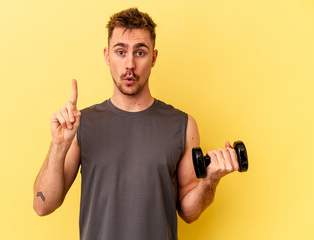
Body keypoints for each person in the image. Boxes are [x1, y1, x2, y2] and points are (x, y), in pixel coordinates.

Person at [33, 8, 239, 240]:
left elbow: (189, 212)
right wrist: (58, 145)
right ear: (106, 56)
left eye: (140, 52)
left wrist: (211, 180)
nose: (129, 64)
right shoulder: (81, 124)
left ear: (153, 57)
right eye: (120, 52)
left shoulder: (183, 125)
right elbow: (43, 205)